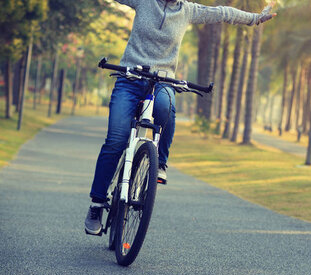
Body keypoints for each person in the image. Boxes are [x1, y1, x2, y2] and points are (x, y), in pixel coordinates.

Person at [85, 0, 277, 235]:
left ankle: (160, 163)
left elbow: (222, 13)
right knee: (116, 139)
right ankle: (96, 205)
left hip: (163, 80)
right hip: (130, 78)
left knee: (166, 110)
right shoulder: (144, 2)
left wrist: (256, 19)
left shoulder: (187, 10)